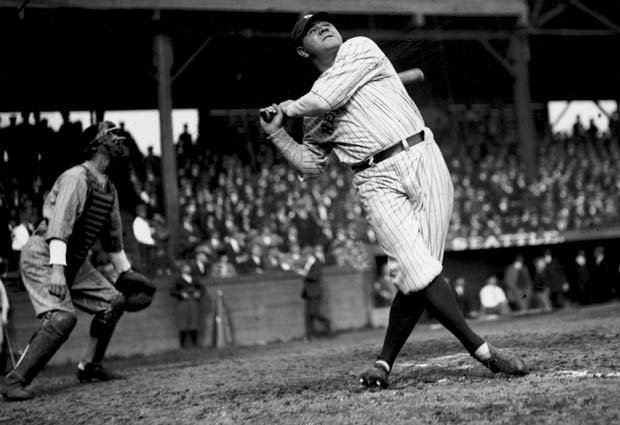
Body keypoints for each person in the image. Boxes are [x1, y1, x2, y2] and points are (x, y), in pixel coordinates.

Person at [258, 11, 527, 389]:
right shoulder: (315, 110)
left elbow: (325, 97)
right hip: (375, 178)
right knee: (417, 270)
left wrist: (290, 107)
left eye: (324, 22)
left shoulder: (359, 49)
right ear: (303, 51)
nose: (321, 26)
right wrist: (278, 136)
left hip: (423, 156)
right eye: (310, 30)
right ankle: (481, 349)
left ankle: (384, 362)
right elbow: (310, 165)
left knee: (419, 276)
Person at [1, 122, 156, 401]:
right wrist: (58, 271)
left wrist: (126, 273)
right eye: (111, 135)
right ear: (97, 145)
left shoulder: (108, 188)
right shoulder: (76, 177)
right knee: (62, 319)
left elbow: (112, 239)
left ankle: (89, 366)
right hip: (44, 254)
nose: (118, 140)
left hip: (73, 259)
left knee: (114, 302)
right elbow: (59, 225)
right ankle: (14, 381)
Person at [296, 247, 331, 338]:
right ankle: (309, 335)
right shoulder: (308, 263)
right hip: (308, 292)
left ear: (310, 254)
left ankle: (327, 324)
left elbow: (315, 276)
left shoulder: (317, 262)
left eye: (306, 255)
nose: (305, 257)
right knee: (308, 315)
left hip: (315, 291)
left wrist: (305, 274)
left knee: (314, 312)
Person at [170, 263, 204, 348]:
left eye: (188, 267)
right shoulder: (178, 279)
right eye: (185, 267)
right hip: (183, 302)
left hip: (193, 302)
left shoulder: (194, 279)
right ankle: (182, 345)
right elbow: (172, 291)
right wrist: (181, 294)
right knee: (183, 323)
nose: (187, 269)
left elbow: (201, 288)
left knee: (194, 322)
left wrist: (198, 293)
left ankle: (195, 344)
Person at [132, 203, 155, 275]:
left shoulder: (144, 221)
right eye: (142, 212)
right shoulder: (137, 222)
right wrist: (149, 240)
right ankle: (145, 274)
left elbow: (146, 232)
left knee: (150, 259)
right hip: (143, 244)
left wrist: (151, 231)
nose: (144, 213)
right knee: (144, 260)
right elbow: (139, 235)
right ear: (138, 212)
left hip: (148, 243)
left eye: (144, 211)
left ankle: (150, 273)